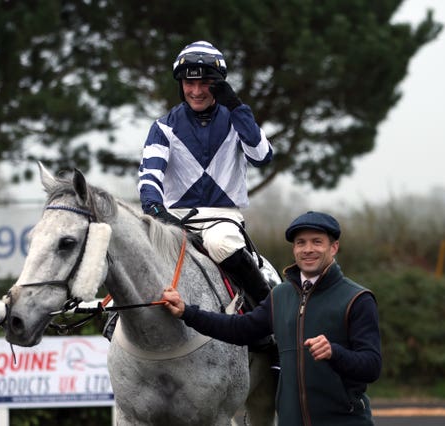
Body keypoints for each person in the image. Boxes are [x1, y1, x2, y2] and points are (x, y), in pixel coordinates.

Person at [162, 211, 382, 426]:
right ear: (294, 249)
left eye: (317, 242)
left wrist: (335, 353)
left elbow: (371, 367)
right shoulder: (279, 295)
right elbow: (239, 329)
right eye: (301, 243)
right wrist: (186, 312)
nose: (308, 249)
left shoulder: (357, 299)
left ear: (334, 247)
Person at [137, 40, 274, 308]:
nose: (196, 91)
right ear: (181, 85)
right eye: (189, 83)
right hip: (172, 217)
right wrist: (154, 207)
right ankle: (115, 317)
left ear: (218, 84)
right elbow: (150, 174)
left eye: (205, 83)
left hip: (222, 218)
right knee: (133, 249)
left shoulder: (236, 119)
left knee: (220, 243)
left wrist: (237, 107)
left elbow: (262, 157)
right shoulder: (163, 127)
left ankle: (269, 315)